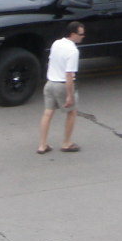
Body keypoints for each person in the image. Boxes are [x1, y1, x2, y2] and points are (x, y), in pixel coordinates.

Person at [38, 21, 85, 154]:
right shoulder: (73, 51)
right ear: (73, 34)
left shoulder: (56, 43)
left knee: (47, 113)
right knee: (72, 112)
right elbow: (69, 74)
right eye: (81, 34)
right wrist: (69, 95)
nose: (83, 36)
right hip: (62, 85)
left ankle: (42, 145)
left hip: (50, 84)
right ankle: (67, 143)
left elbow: (51, 61)